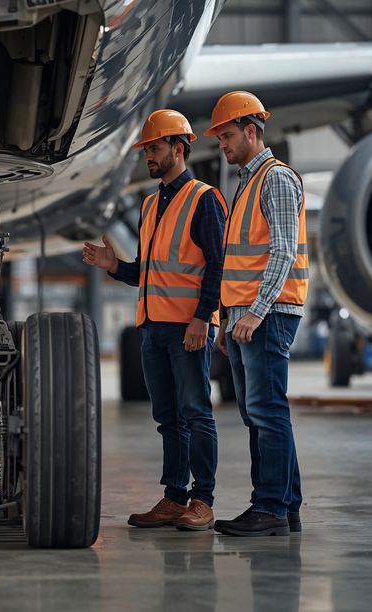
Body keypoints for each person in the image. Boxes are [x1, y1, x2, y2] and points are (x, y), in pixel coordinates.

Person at [83, 109, 226, 531]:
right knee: (168, 418)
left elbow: (218, 265)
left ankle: (202, 500)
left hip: (188, 328)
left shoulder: (204, 198)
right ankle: (174, 497)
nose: (148, 155)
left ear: (178, 149)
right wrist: (115, 266)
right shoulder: (150, 204)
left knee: (197, 412)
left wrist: (203, 318)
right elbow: (150, 271)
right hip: (153, 328)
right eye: (146, 149)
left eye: (155, 147)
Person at [207, 91, 308, 537]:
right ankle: (286, 507)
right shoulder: (247, 182)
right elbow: (241, 262)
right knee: (261, 413)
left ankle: (268, 507)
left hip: (269, 313)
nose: (222, 145)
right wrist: (229, 319)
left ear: (252, 131)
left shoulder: (276, 179)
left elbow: (283, 251)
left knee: (267, 412)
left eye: (227, 136)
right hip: (247, 315)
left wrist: (256, 312)